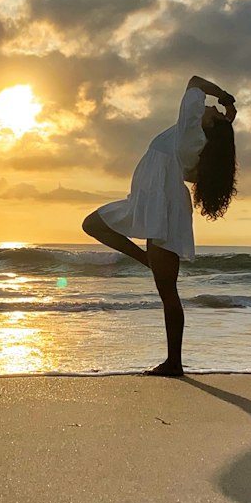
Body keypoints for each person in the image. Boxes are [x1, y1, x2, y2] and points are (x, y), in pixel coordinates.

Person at [82, 75, 237, 377]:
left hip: (162, 208)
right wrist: (228, 116)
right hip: (148, 203)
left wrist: (224, 96)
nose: (209, 108)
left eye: (213, 113)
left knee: (168, 292)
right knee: (93, 224)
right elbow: (215, 134)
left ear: (206, 125)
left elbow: (194, 82)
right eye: (211, 108)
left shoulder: (191, 131)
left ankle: (174, 363)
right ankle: (145, 260)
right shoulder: (198, 140)